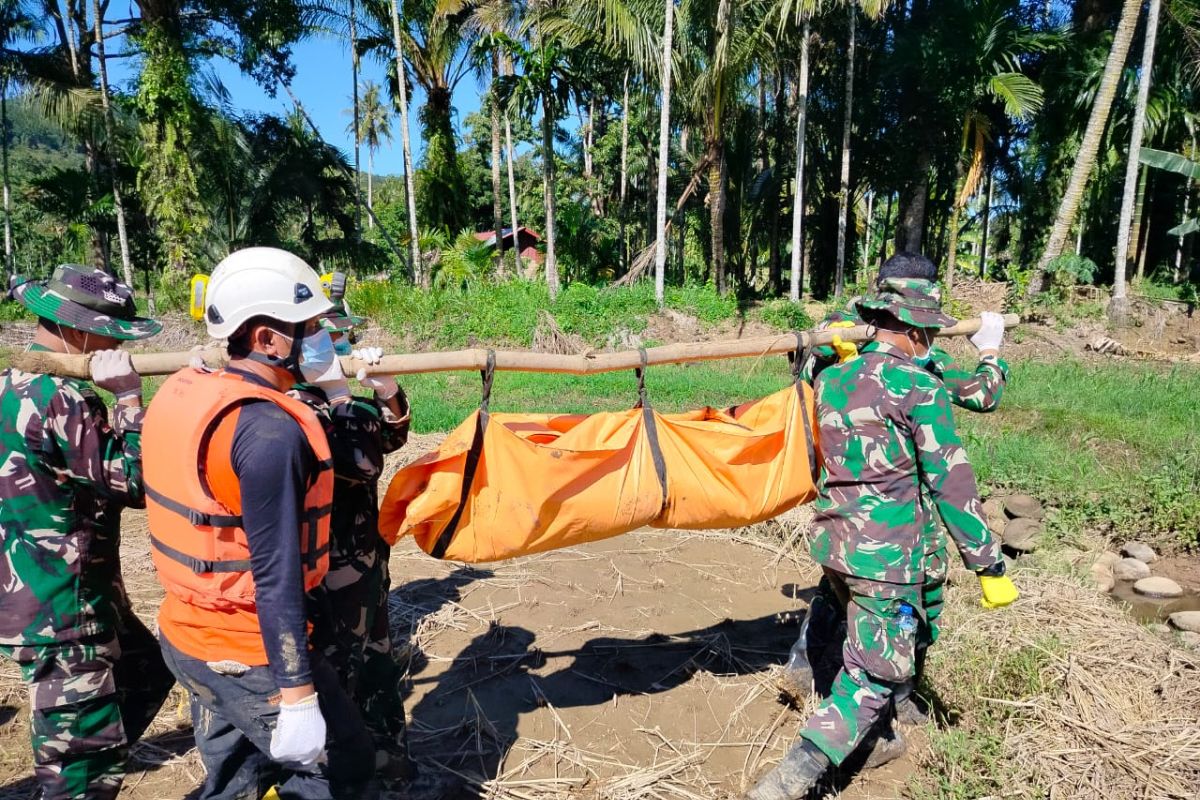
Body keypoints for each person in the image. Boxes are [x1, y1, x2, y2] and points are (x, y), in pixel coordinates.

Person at [746, 279, 1018, 800]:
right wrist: (988, 564)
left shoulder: (833, 377)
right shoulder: (920, 386)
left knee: (895, 623)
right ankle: (786, 782)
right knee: (871, 676)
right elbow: (952, 482)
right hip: (885, 558)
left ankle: (874, 713)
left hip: (835, 543)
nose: (931, 343)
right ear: (915, 332)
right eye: (929, 334)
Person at [142, 247, 378, 800]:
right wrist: (296, 696)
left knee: (237, 775)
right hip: (242, 648)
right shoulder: (270, 432)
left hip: (187, 630)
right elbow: (275, 576)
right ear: (269, 339)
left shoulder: (187, 392)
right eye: (311, 328)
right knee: (340, 766)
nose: (323, 339)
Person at [785, 252, 1009, 727]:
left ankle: (806, 662)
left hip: (840, 502)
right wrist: (990, 353)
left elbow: (804, 377)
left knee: (842, 581)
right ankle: (891, 693)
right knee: (912, 592)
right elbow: (981, 395)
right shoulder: (912, 348)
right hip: (898, 506)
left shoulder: (841, 332)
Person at [0, 265, 174, 800]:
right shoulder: (63, 397)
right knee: (81, 770)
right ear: (76, 330)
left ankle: (93, 751)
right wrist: (128, 399)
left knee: (146, 671)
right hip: (63, 608)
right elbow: (136, 482)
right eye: (110, 335)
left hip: (40, 590)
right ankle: (81, 767)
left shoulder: (9, 385)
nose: (118, 345)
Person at [289, 285, 413, 780]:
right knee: (337, 677)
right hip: (327, 574)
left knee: (378, 666)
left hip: (366, 563)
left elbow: (390, 436)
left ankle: (388, 759)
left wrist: (386, 392)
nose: (339, 343)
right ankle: (341, 776)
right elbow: (362, 462)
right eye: (325, 334)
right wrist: (340, 395)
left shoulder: (338, 401)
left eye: (341, 334)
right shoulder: (294, 406)